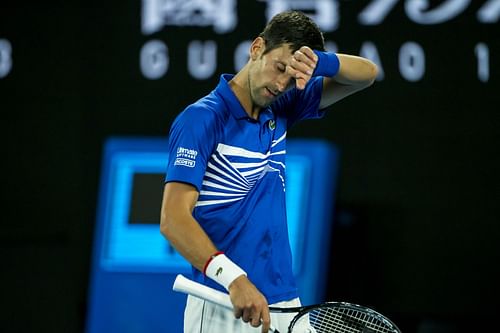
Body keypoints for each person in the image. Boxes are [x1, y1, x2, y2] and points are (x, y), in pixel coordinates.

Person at [160, 10, 378, 333]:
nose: (280, 84)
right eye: (279, 68)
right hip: (225, 303)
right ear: (256, 48)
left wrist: (322, 63)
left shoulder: (283, 107)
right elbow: (173, 219)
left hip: (284, 302)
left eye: (291, 78)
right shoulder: (201, 120)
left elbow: (367, 74)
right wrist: (233, 278)